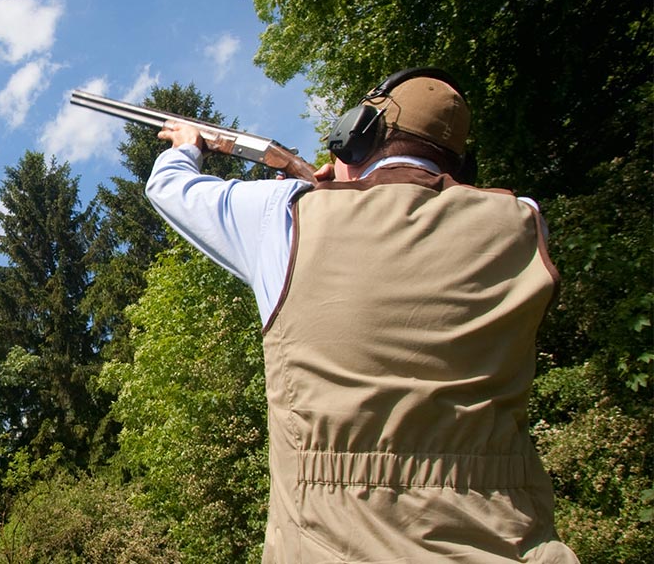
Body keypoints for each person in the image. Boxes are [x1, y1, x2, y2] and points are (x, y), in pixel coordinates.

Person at [145, 68, 577, 563]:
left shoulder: (286, 216)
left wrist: (186, 144)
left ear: (356, 135)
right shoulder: (522, 223)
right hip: (515, 544)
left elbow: (171, 188)